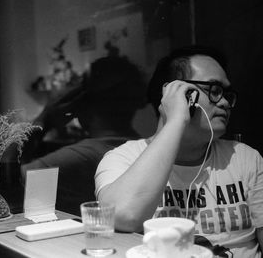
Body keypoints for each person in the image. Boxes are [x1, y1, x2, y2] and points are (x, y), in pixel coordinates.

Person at [95, 45, 263, 257]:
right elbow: (123, 215)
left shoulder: (246, 158)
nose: (225, 102)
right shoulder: (122, 159)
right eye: (214, 90)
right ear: (176, 93)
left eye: (227, 94)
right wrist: (176, 120)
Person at [21, 56, 147, 216]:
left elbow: (2, 180)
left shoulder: (79, 156)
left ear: (81, 101)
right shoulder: (145, 149)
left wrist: (44, 119)